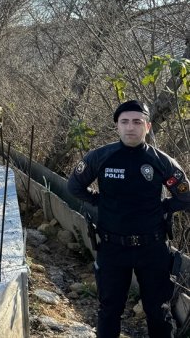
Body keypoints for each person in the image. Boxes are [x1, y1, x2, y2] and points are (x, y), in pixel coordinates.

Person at [68, 100, 190, 338]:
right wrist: (98, 201)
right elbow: (75, 187)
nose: (130, 127)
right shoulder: (100, 157)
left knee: (158, 311)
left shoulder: (161, 161)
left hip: (153, 249)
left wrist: (162, 207)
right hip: (113, 248)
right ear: (117, 126)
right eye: (124, 122)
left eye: (137, 122)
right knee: (109, 310)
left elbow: (185, 196)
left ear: (147, 126)